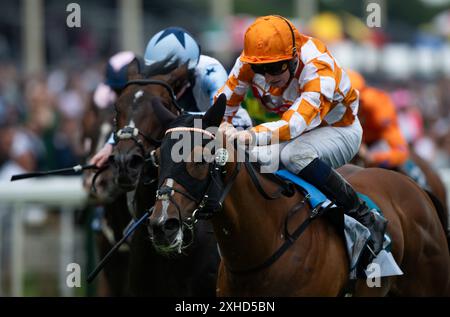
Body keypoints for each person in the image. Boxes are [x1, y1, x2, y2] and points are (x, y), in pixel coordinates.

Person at [216, 15, 387, 255]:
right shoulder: (250, 59)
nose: (268, 77)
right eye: (259, 69)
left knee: (294, 155)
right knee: (253, 160)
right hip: (299, 131)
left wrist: (248, 135)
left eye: (275, 68)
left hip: (340, 130)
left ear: (294, 57)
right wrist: (220, 125)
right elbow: (224, 101)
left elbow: (293, 126)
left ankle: (364, 215)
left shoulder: (318, 67)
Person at [90, 27, 252, 168]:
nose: (160, 78)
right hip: (184, 136)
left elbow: (219, 119)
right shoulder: (151, 78)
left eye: (167, 73)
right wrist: (110, 145)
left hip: (229, 129)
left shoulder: (210, 71)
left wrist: (176, 118)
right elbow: (135, 116)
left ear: (187, 71)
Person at [347, 70, 428, 188]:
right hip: (356, 142)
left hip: (377, 142)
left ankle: (423, 187)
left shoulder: (379, 106)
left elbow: (400, 152)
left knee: (403, 164)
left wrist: (373, 157)